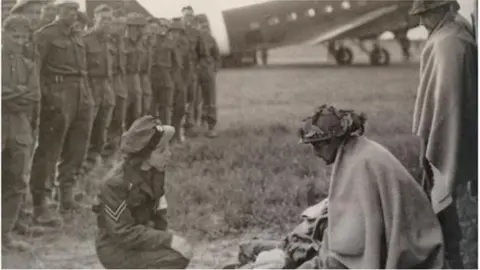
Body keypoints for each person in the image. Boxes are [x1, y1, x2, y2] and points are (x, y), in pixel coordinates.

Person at [294, 105, 445, 268]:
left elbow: (355, 239)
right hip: (407, 237)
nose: (316, 153)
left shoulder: (361, 162)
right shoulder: (356, 151)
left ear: (335, 139)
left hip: (413, 246)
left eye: (318, 145)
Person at [409, 0, 477, 268]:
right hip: (442, 126)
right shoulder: (451, 34)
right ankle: (448, 253)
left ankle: (449, 255)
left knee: (438, 190)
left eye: (426, 14)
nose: (422, 22)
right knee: (436, 192)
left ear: (445, 9)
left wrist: (435, 137)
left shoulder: (450, 42)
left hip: (447, 129)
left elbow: (448, 100)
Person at [93, 115, 192, 269]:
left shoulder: (154, 172)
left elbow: (159, 212)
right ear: (144, 155)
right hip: (115, 248)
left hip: (139, 238)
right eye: (161, 151)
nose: (169, 154)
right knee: (174, 257)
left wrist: (166, 237)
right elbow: (122, 232)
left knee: (179, 253)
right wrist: (167, 240)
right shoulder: (115, 183)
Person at [30, 0, 94, 221]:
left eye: (76, 10)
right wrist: (45, 97)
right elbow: (35, 69)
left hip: (81, 92)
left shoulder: (77, 35)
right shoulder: (45, 35)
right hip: (57, 94)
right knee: (49, 150)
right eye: (68, 10)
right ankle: (41, 203)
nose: (73, 14)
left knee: (77, 147)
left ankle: (65, 195)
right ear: (57, 12)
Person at [2, 14, 42, 251]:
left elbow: (34, 97)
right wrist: (18, 91)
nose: (18, 41)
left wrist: (9, 94)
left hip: (19, 128)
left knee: (16, 182)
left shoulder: (29, 65)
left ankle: (3, 235)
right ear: (3, 33)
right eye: (14, 36)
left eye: (23, 37)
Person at [81, 4, 116, 177]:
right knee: (86, 128)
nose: (107, 23)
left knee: (102, 129)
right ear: (95, 19)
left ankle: (92, 163)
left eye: (110, 19)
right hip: (91, 87)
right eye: (103, 19)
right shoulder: (85, 39)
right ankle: (80, 168)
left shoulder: (110, 41)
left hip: (106, 88)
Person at [181, 6, 208, 137]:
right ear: (182, 16)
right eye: (186, 16)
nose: (188, 18)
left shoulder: (197, 34)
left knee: (192, 99)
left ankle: (190, 126)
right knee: (179, 99)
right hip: (179, 72)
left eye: (190, 16)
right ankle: (178, 127)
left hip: (192, 71)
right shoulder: (176, 32)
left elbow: (203, 54)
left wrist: (197, 68)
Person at [103, 16, 127, 161]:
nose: (119, 27)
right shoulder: (104, 40)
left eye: (121, 24)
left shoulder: (122, 42)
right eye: (116, 23)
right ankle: (103, 152)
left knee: (119, 117)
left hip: (119, 81)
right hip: (107, 80)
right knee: (106, 117)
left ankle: (113, 151)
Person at [124, 12, 147, 129]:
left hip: (136, 77)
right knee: (123, 110)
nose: (143, 30)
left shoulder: (141, 42)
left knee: (136, 110)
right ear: (134, 27)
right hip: (123, 78)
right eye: (141, 27)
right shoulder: (122, 41)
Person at [197, 21, 220, 138]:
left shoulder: (211, 39)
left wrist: (214, 69)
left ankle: (211, 126)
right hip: (195, 72)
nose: (204, 29)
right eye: (202, 27)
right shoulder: (194, 38)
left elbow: (217, 56)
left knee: (210, 100)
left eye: (205, 27)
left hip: (207, 70)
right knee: (194, 101)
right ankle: (197, 125)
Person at [169, 19, 190, 144]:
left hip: (180, 81)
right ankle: (170, 135)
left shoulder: (184, 47)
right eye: (173, 31)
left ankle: (178, 132)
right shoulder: (165, 46)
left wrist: (185, 81)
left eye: (178, 32)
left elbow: (187, 66)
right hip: (167, 80)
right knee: (167, 109)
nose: (175, 34)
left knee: (180, 108)